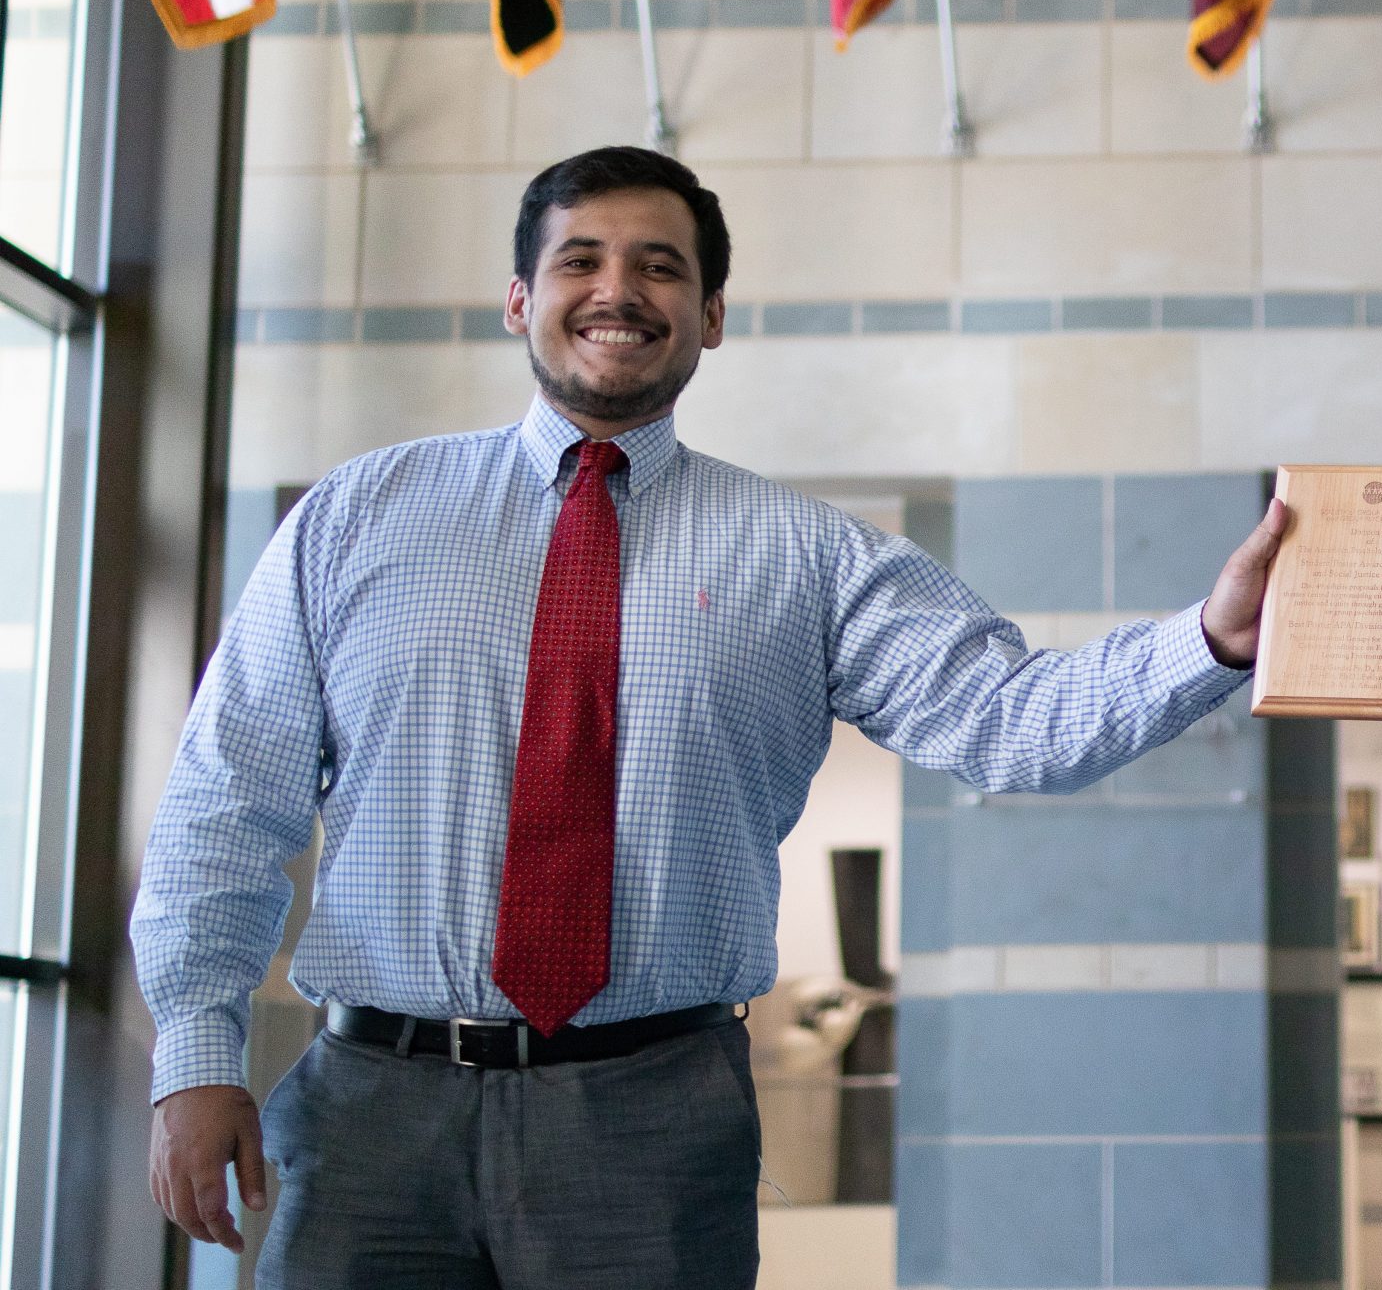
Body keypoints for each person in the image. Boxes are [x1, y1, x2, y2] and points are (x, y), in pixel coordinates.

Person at [136, 146, 1289, 1287]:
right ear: (519, 300)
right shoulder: (358, 515)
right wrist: (195, 1056)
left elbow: (1012, 717)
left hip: (649, 1120)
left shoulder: (809, 558)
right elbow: (228, 796)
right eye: (579, 258)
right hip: (370, 1114)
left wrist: (1216, 635)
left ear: (711, 314)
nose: (617, 290)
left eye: (660, 267)